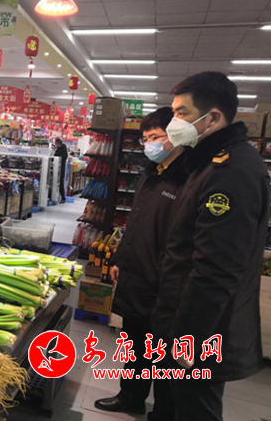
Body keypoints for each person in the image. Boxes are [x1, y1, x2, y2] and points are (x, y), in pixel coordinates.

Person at [151, 71, 270, 421]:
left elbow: (216, 268)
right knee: (173, 405)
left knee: (195, 409)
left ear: (213, 118)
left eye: (182, 113)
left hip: (203, 332)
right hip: (184, 319)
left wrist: (187, 339)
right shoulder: (209, 162)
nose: (173, 123)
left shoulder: (230, 172)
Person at [94, 107, 186, 421]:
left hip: (164, 283)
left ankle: (164, 414)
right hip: (136, 275)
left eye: (156, 137)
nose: (150, 144)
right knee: (135, 345)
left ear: (176, 135)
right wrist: (120, 258)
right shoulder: (150, 174)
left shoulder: (188, 179)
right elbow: (134, 223)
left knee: (164, 355)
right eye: (146, 138)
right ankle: (130, 397)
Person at [54, 139, 69, 203]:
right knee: (58, 183)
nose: (56, 145)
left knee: (60, 184)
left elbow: (61, 159)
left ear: (59, 143)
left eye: (56, 144)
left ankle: (63, 198)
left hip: (60, 169)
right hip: (57, 168)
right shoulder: (61, 149)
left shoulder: (63, 150)